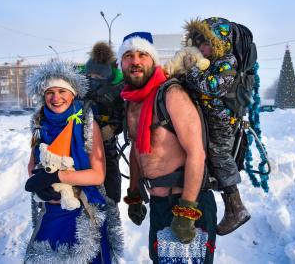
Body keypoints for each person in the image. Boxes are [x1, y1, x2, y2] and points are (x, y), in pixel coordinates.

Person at [118, 32, 217, 263]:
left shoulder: (171, 94)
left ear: (153, 60)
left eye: (142, 54)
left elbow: (196, 153)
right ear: (121, 63)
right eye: (128, 56)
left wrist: (187, 212)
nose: (135, 61)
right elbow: (137, 150)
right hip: (160, 204)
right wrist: (134, 194)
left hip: (187, 202)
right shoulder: (132, 101)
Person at [24, 60, 122, 263]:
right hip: (51, 211)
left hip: (83, 212)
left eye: (62, 91)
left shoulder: (87, 123)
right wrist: (41, 184)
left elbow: (97, 175)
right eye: (50, 92)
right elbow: (33, 165)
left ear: (73, 94)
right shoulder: (39, 123)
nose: (56, 97)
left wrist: (57, 176)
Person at [181, 17, 251, 235]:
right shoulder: (211, 62)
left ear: (220, 42)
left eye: (206, 44)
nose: (202, 49)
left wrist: (191, 71)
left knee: (219, 154)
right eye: (199, 44)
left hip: (221, 120)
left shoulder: (227, 62)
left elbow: (212, 87)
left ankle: (236, 208)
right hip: (208, 117)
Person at [84, 41, 125, 204]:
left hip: (107, 144)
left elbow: (122, 114)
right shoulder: (81, 90)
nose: (94, 79)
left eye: (98, 77)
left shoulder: (117, 90)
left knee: (110, 181)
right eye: (91, 76)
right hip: (83, 143)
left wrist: (113, 126)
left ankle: (111, 206)